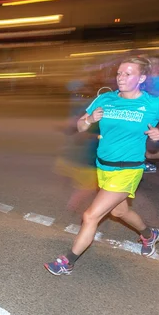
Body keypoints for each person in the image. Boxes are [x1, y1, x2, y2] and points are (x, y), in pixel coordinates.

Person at [44, 57, 159, 275]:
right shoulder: (105, 98)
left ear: (141, 78)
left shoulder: (153, 103)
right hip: (103, 167)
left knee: (91, 215)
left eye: (128, 74)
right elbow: (81, 127)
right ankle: (150, 235)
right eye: (119, 73)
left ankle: (67, 262)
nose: (121, 78)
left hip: (129, 169)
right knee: (119, 212)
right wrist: (90, 119)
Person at [54, 67, 100, 212]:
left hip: (72, 154)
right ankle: (72, 203)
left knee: (68, 170)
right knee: (89, 186)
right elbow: (81, 134)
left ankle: (66, 193)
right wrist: (99, 136)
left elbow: (70, 127)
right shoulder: (92, 106)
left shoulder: (80, 103)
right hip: (85, 157)